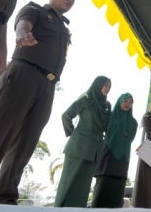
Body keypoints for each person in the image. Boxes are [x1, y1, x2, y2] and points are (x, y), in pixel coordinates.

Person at [0, 0, 76, 204]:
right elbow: (22, 24)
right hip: (24, 74)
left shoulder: (65, 28)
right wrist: (22, 35)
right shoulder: (36, 10)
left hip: (48, 85)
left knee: (26, 142)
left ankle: (6, 196)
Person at [54, 76, 112, 207]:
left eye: (109, 86)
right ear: (98, 85)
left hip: (94, 151)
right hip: (78, 147)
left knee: (82, 187)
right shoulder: (86, 100)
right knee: (67, 183)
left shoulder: (107, 106)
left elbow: (108, 128)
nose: (107, 89)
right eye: (105, 85)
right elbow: (66, 116)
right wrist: (73, 134)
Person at [91, 92, 138, 208]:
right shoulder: (110, 116)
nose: (127, 104)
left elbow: (130, 139)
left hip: (123, 159)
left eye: (130, 102)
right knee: (101, 192)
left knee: (116, 196)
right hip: (107, 156)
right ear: (119, 101)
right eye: (125, 101)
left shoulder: (133, 123)